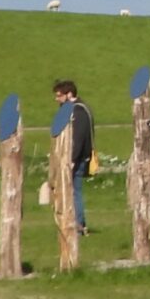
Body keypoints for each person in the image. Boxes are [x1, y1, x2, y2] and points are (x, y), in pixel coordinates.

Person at [52, 80, 95, 233]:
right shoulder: (77, 109)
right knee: (72, 191)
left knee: (74, 191)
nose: (57, 99)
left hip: (76, 158)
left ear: (69, 94)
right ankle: (75, 222)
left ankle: (78, 223)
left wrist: (71, 159)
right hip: (75, 157)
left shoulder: (78, 112)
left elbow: (78, 138)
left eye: (59, 96)